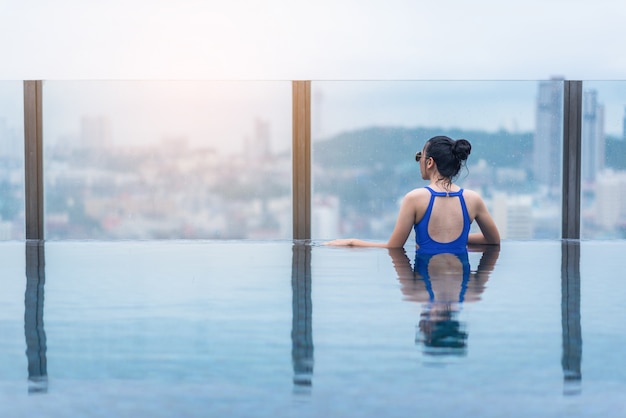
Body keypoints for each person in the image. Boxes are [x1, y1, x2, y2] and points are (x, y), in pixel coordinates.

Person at [325, 135, 500, 249]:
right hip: (460, 290)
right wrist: (455, 237)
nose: (419, 162)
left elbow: (393, 247)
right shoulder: (473, 199)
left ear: (429, 162)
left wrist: (351, 242)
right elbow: (493, 240)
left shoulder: (415, 199)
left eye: (419, 157)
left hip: (427, 284)